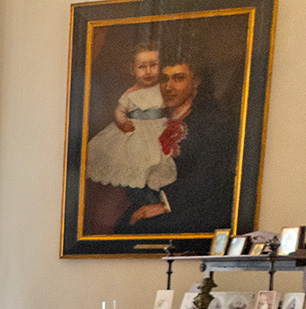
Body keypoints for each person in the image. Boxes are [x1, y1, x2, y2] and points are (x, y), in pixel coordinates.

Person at [118, 57, 240, 235]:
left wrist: (165, 204)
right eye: (164, 79)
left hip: (193, 210)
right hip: (149, 204)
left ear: (196, 82)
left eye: (179, 78)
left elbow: (206, 178)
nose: (169, 87)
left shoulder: (214, 124)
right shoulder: (150, 122)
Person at [84, 43, 174, 194]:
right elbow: (120, 110)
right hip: (135, 132)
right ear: (132, 70)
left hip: (158, 129)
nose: (148, 71)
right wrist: (122, 122)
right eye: (142, 67)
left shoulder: (163, 89)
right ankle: (136, 190)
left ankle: (154, 191)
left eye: (153, 65)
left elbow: (171, 107)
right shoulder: (131, 93)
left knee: (157, 160)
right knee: (133, 157)